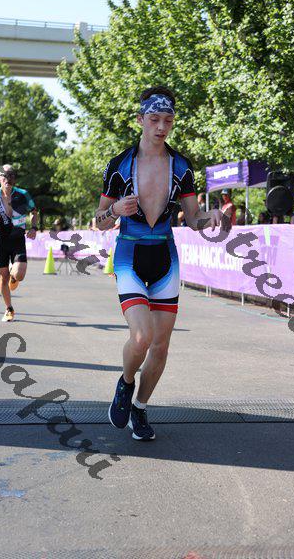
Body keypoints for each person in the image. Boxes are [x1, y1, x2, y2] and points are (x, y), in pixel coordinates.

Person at [95, 86, 228, 441]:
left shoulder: (181, 166)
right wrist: (114, 210)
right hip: (130, 254)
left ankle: (139, 408)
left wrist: (212, 217)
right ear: (140, 120)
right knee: (141, 337)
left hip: (165, 257)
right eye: (154, 119)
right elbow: (100, 221)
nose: (161, 127)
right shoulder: (119, 165)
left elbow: (193, 219)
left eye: (168, 120)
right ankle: (125, 383)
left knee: (160, 346)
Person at [0, 165, 38, 322]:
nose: (7, 178)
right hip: (0, 239)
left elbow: (34, 211)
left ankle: (14, 277)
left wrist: (34, 227)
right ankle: (9, 309)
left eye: (11, 175)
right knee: (3, 277)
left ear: (14, 178)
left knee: (19, 274)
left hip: (18, 238)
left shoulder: (23, 194)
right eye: (4, 175)